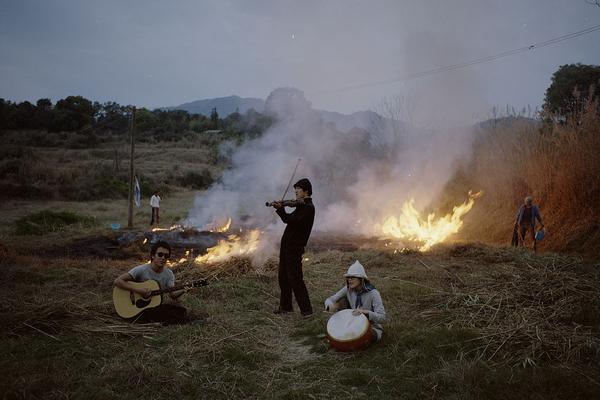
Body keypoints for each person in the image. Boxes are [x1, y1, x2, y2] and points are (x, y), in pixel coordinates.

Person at [113, 240, 192, 324]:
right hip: (139, 308)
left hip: (152, 306)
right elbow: (117, 281)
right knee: (160, 313)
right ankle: (191, 323)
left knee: (181, 311)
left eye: (166, 256)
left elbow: (172, 295)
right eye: (160, 254)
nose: (163, 258)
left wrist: (184, 289)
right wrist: (138, 290)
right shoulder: (141, 270)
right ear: (153, 255)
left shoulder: (169, 274)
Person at [272, 178, 315, 316]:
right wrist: (281, 209)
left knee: (295, 279)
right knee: (283, 279)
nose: (296, 192)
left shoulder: (308, 208)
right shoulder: (300, 207)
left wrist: (282, 209)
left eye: (299, 189)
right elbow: (288, 219)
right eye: (295, 189)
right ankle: (286, 307)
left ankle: (307, 311)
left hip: (294, 249)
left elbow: (292, 221)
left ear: (306, 191)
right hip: (286, 248)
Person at [324, 260, 386, 343]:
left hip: (371, 326)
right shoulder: (348, 289)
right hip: (353, 323)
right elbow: (331, 299)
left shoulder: (373, 293)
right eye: (348, 277)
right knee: (342, 302)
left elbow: (382, 318)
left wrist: (366, 313)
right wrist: (330, 306)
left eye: (352, 277)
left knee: (362, 340)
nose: (349, 280)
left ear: (361, 279)